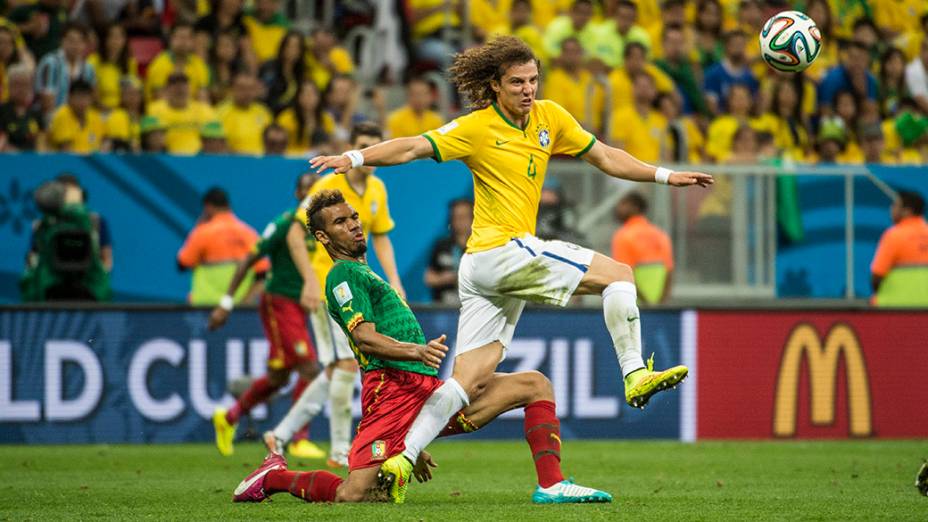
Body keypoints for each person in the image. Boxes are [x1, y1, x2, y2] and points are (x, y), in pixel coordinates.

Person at [310, 35, 712, 501]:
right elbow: (412, 148)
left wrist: (665, 175)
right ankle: (633, 373)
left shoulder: (550, 117)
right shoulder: (477, 127)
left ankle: (405, 455)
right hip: (503, 251)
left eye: (533, 80)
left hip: (481, 271)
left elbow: (604, 156)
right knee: (620, 274)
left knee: (470, 378)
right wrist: (355, 158)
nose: (527, 89)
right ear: (495, 87)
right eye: (517, 82)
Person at [231, 189, 612, 505]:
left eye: (353, 217)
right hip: (391, 395)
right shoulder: (342, 275)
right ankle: (275, 476)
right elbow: (363, 337)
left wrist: (414, 441)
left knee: (534, 385)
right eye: (340, 222)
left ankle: (552, 484)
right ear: (323, 238)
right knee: (355, 494)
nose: (353, 224)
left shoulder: (364, 272)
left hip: (425, 394)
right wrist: (416, 352)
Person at [292, 121, 404, 468]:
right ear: (352, 148)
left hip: (360, 284)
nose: (368, 155)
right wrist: (310, 281)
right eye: (363, 145)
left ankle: (281, 435)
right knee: (343, 364)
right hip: (331, 287)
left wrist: (394, 279)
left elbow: (381, 235)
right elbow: (296, 234)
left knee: (337, 367)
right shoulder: (329, 184)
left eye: (374, 146)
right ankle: (339, 448)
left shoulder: (378, 189)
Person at [209, 174, 325, 459]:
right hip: (279, 303)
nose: (312, 195)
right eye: (307, 190)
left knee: (279, 377)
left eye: (317, 190)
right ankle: (299, 438)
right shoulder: (284, 224)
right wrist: (226, 303)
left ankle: (229, 418)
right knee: (309, 368)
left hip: (302, 305)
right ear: (297, 193)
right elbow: (248, 259)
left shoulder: (321, 229)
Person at [177, 186, 267, 305]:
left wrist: (197, 227)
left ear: (207, 207)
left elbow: (182, 264)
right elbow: (263, 272)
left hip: (205, 308)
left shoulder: (202, 232)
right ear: (228, 206)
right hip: (239, 310)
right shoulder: (249, 233)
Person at [611, 191, 673, 304]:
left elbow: (623, 274)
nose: (618, 208)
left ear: (635, 207)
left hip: (636, 303)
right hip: (660, 306)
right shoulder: (660, 234)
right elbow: (669, 272)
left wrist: (645, 303)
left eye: (623, 204)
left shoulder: (623, 235)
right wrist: (661, 302)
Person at [870, 190, 928, 307]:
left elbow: (876, 277)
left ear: (907, 211)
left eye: (895, 205)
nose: (891, 209)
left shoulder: (894, 235)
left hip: (895, 308)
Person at [147, 72, 216, 154]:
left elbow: (215, 140)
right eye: (175, 85)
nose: (180, 89)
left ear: (190, 88)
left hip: (198, 160)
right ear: (166, 89)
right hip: (164, 158)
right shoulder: (153, 110)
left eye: (184, 85)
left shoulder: (205, 111)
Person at [34, 22, 95, 112]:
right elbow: (47, 103)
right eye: (71, 40)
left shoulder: (88, 68)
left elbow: (90, 98)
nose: (75, 45)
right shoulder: (50, 63)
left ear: (85, 44)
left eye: (79, 41)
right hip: (52, 115)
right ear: (62, 41)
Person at [424, 199, 473, 304]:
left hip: (471, 308)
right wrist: (443, 279)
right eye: (456, 217)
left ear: (473, 219)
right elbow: (428, 278)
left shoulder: (480, 247)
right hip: (443, 310)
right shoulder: (442, 245)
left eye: (464, 217)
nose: (460, 221)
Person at [145, 22, 210, 101]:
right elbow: (160, 100)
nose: (184, 41)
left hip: (191, 110)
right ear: (171, 39)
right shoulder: (159, 65)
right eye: (180, 37)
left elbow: (203, 99)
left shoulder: (199, 65)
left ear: (192, 41)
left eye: (187, 38)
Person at [217, 72, 271, 155]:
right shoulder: (221, 112)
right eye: (242, 89)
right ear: (232, 90)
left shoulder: (263, 112)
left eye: (251, 89)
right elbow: (217, 145)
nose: (247, 93)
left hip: (261, 161)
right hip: (233, 161)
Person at [47, 80, 105, 153]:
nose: (82, 102)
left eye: (86, 98)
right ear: (70, 98)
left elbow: (104, 142)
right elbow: (66, 151)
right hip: (68, 162)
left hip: (91, 162)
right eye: (79, 97)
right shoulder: (62, 115)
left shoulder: (95, 116)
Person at [0, 63, 45, 151]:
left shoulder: (36, 112)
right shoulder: (2, 111)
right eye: (16, 84)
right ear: (8, 86)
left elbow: (42, 142)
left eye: (25, 84)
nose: (21, 89)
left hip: (33, 159)